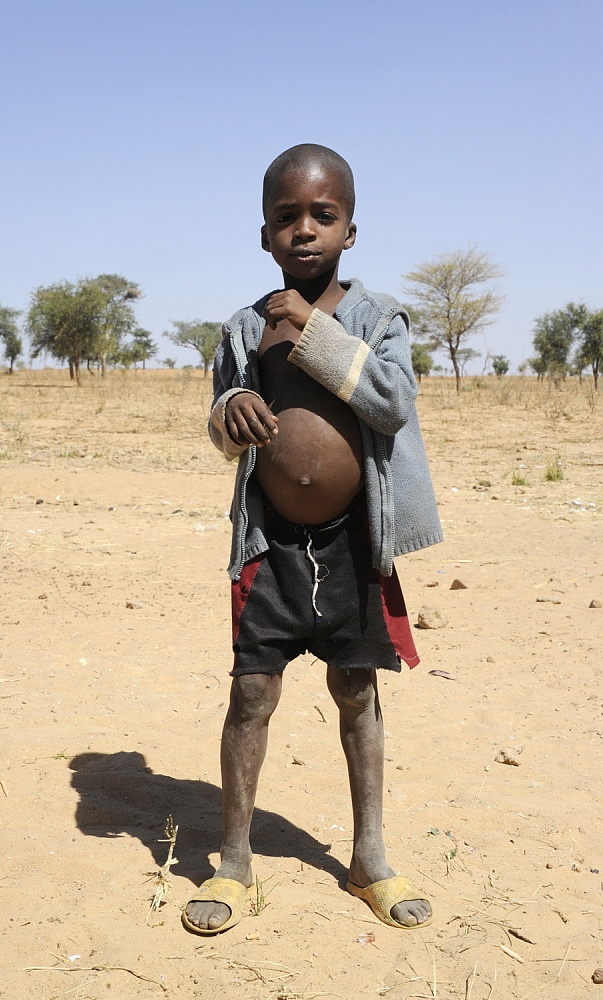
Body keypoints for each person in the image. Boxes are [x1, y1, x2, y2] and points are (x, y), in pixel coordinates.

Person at [182, 144, 443, 936]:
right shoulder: (241, 326)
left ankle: (369, 855)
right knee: (251, 694)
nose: (304, 231)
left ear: (350, 231)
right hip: (270, 546)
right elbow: (225, 416)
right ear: (264, 234)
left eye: (321, 216)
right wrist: (230, 411)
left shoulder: (375, 319)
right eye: (286, 217)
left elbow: (392, 402)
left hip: (353, 543)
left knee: (357, 692)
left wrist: (314, 330)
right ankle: (233, 861)